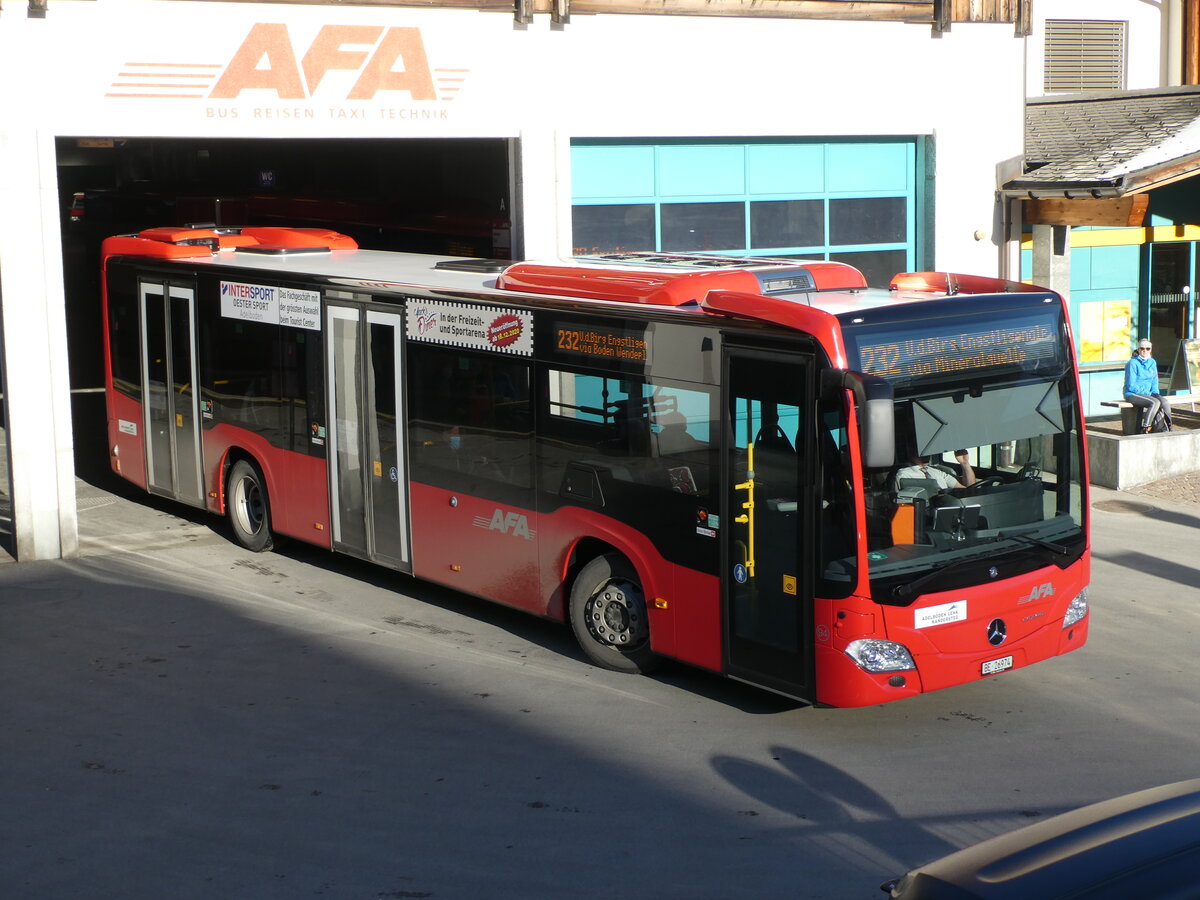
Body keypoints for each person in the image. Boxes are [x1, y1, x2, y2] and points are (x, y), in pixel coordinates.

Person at [1123, 339, 1171, 433]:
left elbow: (1154, 380)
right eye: (1142, 348)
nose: (1145, 351)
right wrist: (1148, 393)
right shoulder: (1132, 363)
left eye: (1147, 348)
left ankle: (1168, 427)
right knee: (1154, 403)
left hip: (1148, 393)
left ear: (1150, 350)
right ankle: (1145, 428)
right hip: (1133, 393)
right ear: (1138, 349)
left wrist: (1155, 393)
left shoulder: (1152, 362)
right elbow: (1131, 385)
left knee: (1164, 402)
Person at [896, 450, 976, 491]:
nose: (926, 454)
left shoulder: (936, 471)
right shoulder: (904, 475)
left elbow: (967, 489)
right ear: (911, 451)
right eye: (921, 450)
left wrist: (965, 463)